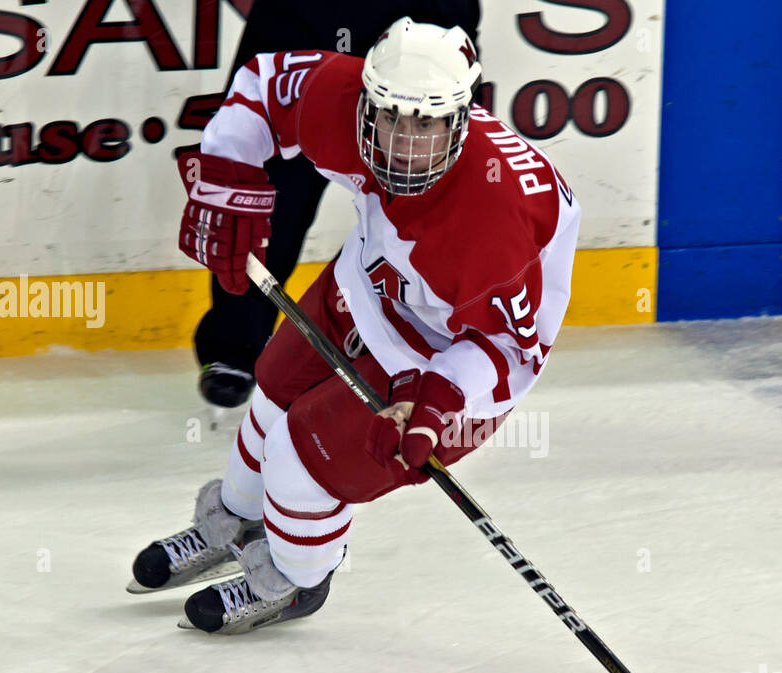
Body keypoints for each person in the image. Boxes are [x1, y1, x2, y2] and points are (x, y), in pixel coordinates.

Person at [130, 17, 581, 634]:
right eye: (391, 116)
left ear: (460, 119)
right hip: (372, 281)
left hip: (449, 358)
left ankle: (296, 579)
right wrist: (226, 178)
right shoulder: (342, 104)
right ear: (367, 100)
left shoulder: (492, 219)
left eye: (425, 123)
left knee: (302, 452)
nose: (403, 141)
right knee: (275, 387)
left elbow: (506, 348)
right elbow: (262, 87)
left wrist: (434, 403)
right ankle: (236, 520)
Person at [194, 1, 483, 409]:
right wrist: (228, 170)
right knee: (267, 200)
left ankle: (409, 342)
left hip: (426, 26)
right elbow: (260, 90)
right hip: (306, 20)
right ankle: (234, 344)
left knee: (427, 193)